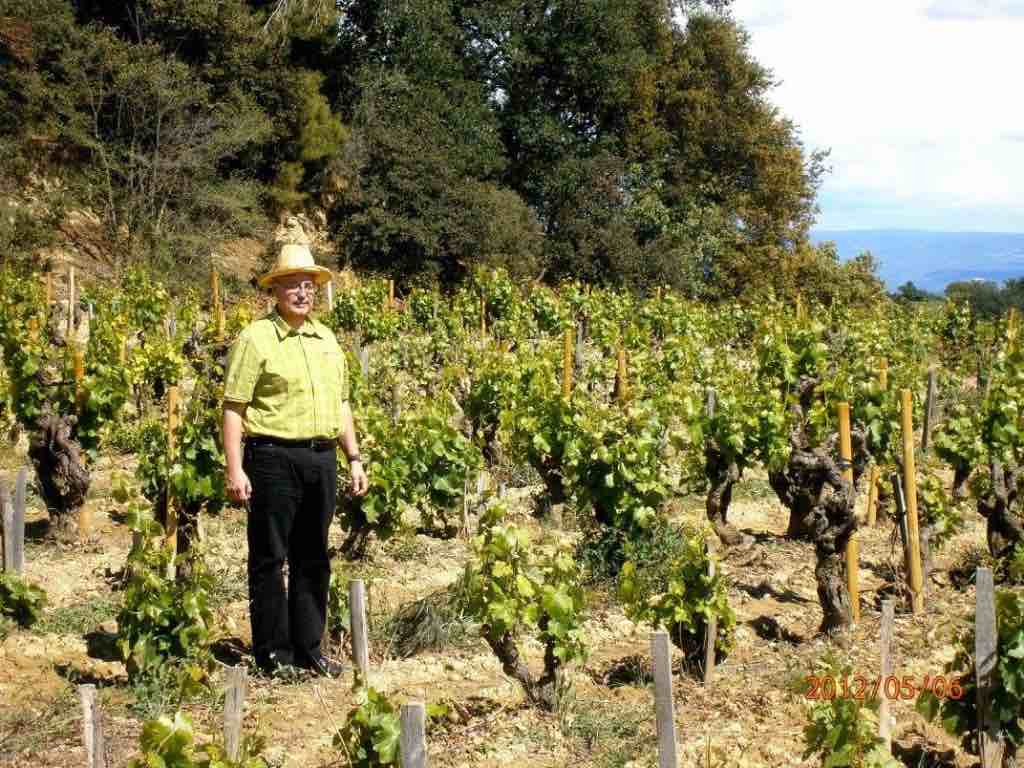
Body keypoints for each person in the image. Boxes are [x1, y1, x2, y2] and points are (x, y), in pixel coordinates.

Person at [222, 243, 369, 678]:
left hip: (322, 459)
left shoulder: (327, 339)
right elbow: (233, 407)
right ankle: (272, 655)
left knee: (314, 556)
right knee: (269, 557)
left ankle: (309, 648)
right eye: (293, 285)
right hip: (272, 457)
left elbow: (342, 404)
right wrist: (235, 467)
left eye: (308, 285)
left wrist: (354, 457)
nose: (302, 293)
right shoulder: (255, 338)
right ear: (276, 291)